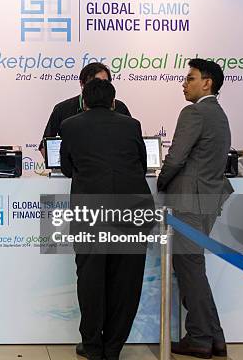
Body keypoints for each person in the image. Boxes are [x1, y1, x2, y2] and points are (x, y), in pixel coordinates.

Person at [60, 78, 153, 360]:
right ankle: (113, 347)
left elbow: (67, 168)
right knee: (126, 280)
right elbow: (142, 162)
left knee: (90, 278)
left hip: (91, 211)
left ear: (84, 101)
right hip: (133, 209)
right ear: (114, 102)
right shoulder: (131, 124)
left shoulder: (70, 125)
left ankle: (92, 346)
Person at [157, 58, 233, 359]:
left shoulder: (194, 112)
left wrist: (162, 181)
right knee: (193, 267)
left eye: (190, 78)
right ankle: (215, 337)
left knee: (189, 267)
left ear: (207, 82)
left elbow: (176, 157)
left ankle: (200, 338)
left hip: (189, 199)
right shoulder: (219, 114)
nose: (184, 84)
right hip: (208, 199)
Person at [40, 62, 131, 157]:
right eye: (94, 83)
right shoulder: (62, 109)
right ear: (81, 84)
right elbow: (45, 146)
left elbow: (131, 142)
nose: (99, 87)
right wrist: (60, 167)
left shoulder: (120, 107)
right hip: (76, 170)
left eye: (104, 83)